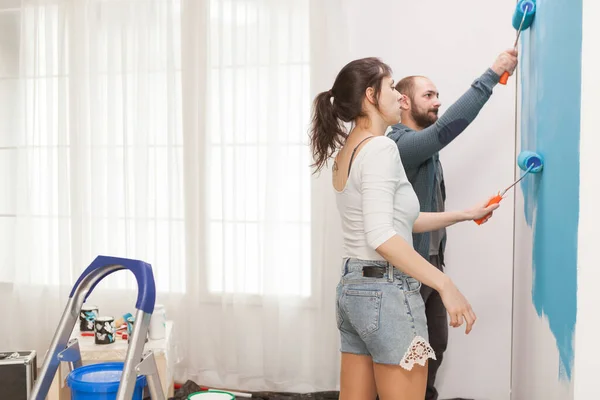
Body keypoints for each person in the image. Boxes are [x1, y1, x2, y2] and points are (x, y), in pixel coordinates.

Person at [309, 57, 499, 400]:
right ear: (371, 95)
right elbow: (381, 236)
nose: (399, 96)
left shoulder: (348, 151)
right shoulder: (381, 147)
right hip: (388, 290)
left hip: (353, 289)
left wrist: (463, 215)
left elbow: (400, 220)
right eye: (392, 87)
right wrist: (444, 283)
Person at [388, 49, 518, 400]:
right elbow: (446, 130)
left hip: (430, 269)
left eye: (437, 96)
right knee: (404, 364)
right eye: (428, 95)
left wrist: (467, 214)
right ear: (403, 101)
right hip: (405, 276)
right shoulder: (398, 144)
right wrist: (492, 74)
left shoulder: (425, 150)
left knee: (434, 352)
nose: (436, 102)